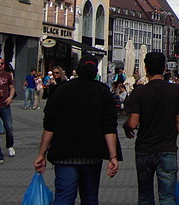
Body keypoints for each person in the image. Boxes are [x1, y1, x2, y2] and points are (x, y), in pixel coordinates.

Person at [34, 54, 120, 204]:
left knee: (64, 197)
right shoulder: (103, 92)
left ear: (78, 70)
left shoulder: (61, 90)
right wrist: (113, 156)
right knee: (90, 198)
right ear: (95, 72)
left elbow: (49, 125)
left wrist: (42, 153)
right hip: (92, 154)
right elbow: (109, 127)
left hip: (64, 153)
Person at [124, 51, 179, 205]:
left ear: (146, 67)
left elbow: (133, 123)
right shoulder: (175, 91)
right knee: (168, 196)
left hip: (144, 149)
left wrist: (126, 126)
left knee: (145, 196)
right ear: (164, 68)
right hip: (167, 149)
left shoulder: (139, 92)